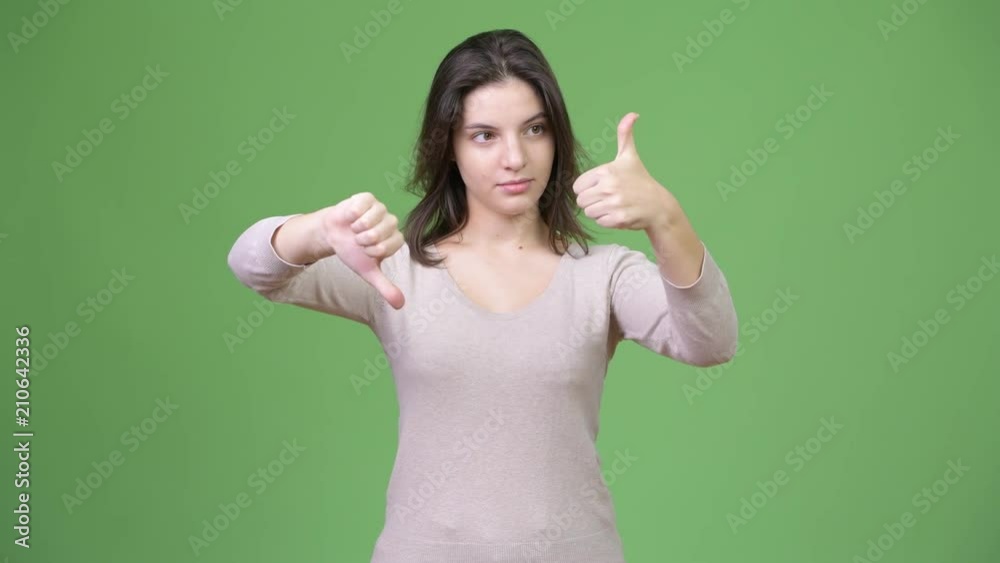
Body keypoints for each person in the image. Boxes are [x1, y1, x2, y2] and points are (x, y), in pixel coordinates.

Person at [228, 28, 738, 563]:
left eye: (534, 129)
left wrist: (665, 217)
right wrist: (316, 230)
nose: (515, 157)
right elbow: (252, 267)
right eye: (484, 135)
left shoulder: (602, 274)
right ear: (448, 147)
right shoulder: (395, 269)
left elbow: (711, 341)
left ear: (556, 137)